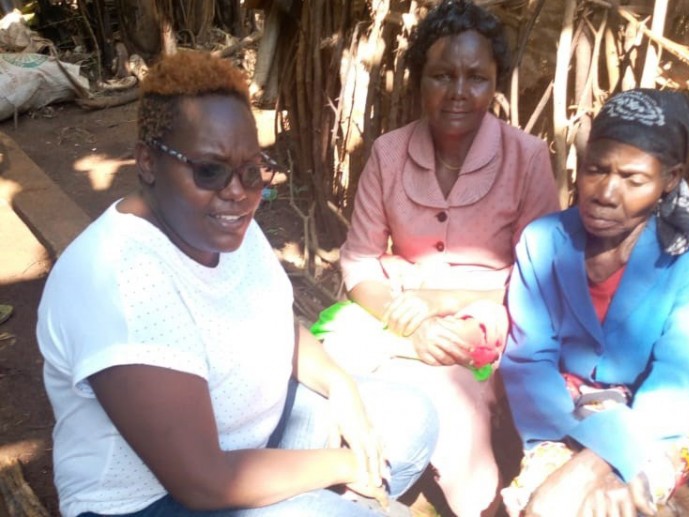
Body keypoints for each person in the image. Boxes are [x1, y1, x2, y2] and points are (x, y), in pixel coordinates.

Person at [36, 51, 438, 517]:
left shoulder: (222, 226)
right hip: (155, 500)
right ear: (147, 161)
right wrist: (346, 463)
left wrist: (340, 385)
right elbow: (205, 483)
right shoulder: (121, 282)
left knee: (410, 419)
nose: (238, 191)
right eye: (210, 169)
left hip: (255, 439)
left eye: (252, 170)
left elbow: (277, 322)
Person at [314, 1, 559, 514]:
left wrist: (440, 301)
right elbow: (359, 261)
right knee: (325, 369)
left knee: (448, 386)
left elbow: (539, 278)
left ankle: (482, 503)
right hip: (396, 308)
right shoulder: (388, 152)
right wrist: (408, 319)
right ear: (419, 80)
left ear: (496, 83)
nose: (458, 92)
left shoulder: (527, 158)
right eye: (442, 75)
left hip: (492, 308)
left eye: (476, 77)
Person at [500, 88, 689, 517]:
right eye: (595, 170)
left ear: (670, 179)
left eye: (634, 179)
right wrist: (570, 449)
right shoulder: (543, 241)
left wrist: (592, 466)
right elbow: (529, 361)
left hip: (655, 424)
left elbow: (681, 374)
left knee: (608, 505)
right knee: (539, 509)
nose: (605, 192)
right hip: (559, 415)